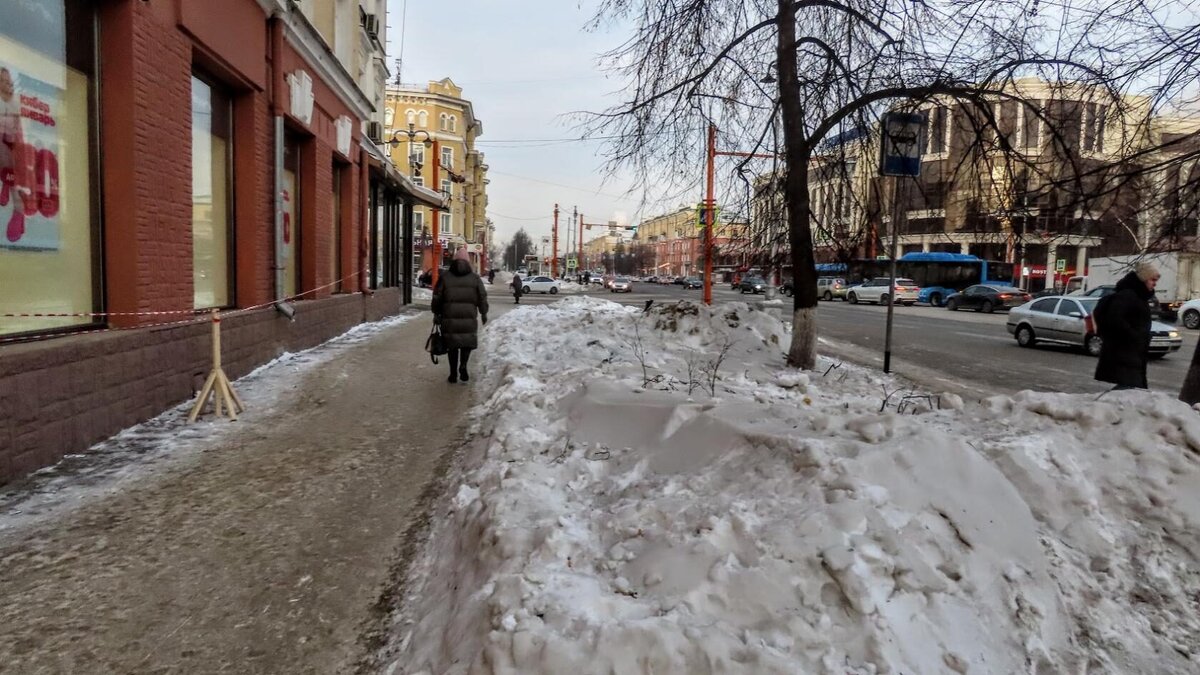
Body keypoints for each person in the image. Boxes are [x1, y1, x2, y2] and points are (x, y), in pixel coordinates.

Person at [1094, 262, 1158, 390]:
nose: (1155, 283)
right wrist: (1134, 335)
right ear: (1143, 279)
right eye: (1152, 279)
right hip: (1124, 353)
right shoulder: (1128, 296)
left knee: (1130, 389)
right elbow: (1115, 319)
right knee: (1128, 389)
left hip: (1131, 353)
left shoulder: (1139, 297)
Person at [432, 248, 488, 384]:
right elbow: (482, 297)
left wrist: (436, 313)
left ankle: (452, 374)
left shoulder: (445, 277)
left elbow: (437, 297)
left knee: (452, 346)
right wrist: (484, 312)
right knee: (466, 344)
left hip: (449, 319)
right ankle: (463, 365)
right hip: (468, 318)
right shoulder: (475, 278)